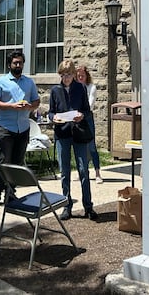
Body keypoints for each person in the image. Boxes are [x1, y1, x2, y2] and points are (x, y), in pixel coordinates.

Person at [0, 51, 40, 207]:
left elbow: (36, 101)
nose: (18, 65)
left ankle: (10, 193)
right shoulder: (1, 81)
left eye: (20, 63)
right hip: (6, 128)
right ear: (9, 65)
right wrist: (11, 106)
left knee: (17, 163)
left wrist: (30, 106)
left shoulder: (29, 82)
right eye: (15, 63)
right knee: (3, 162)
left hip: (23, 128)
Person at [49, 60, 98, 221]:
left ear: (74, 74)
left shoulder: (81, 88)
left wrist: (82, 115)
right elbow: (50, 112)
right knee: (65, 171)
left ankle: (88, 206)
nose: (66, 78)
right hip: (62, 133)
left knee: (83, 170)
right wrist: (53, 117)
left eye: (69, 75)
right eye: (63, 75)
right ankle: (66, 205)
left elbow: (86, 110)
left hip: (79, 133)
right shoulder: (55, 90)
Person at [76, 65, 102, 183]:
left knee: (91, 146)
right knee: (79, 146)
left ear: (87, 76)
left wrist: (80, 112)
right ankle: (81, 171)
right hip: (76, 118)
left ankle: (97, 173)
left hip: (87, 118)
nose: (80, 78)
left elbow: (90, 104)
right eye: (78, 76)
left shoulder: (91, 87)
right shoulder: (74, 87)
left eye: (82, 76)